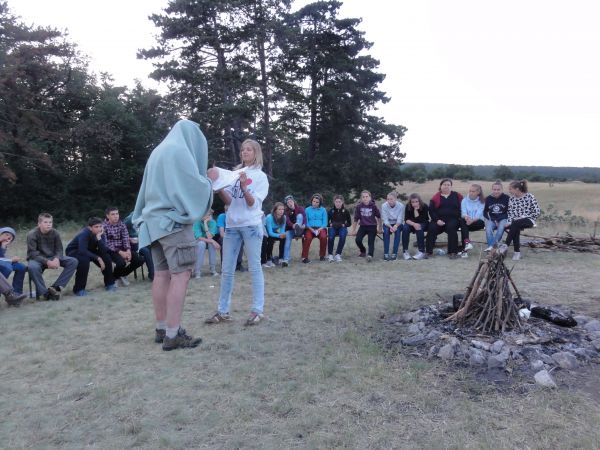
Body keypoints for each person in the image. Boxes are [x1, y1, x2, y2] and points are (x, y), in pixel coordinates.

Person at [133, 119, 212, 351]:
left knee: (161, 275)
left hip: (153, 223)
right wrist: (210, 182)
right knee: (181, 275)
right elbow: (192, 186)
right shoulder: (179, 151)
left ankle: (161, 328)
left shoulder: (158, 151)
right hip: (173, 223)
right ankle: (173, 333)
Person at [205, 139, 269, 326]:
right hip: (232, 225)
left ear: (256, 152)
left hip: (251, 225)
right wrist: (218, 189)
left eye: (249, 149)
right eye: (242, 150)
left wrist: (244, 187)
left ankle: (257, 310)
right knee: (226, 270)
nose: (244, 152)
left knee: (255, 267)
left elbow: (252, 204)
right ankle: (223, 311)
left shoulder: (260, 177)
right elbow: (230, 202)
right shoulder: (234, 174)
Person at [27, 213, 78, 301]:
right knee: (32, 267)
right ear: (39, 224)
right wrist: (47, 262)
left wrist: (57, 258)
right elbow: (33, 253)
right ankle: (45, 294)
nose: (48, 224)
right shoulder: (32, 234)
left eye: (50, 222)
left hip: (52, 257)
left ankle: (55, 287)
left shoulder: (55, 233)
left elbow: (59, 249)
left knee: (73, 261)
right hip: (37, 259)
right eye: (45, 222)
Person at [66, 217, 116, 296]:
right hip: (74, 251)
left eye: (100, 226)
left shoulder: (101, 233)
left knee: (106, 257)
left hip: (88, 250)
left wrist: (99, 239)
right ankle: (79, 289)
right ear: (90, 228)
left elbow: (103, 250)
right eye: (96, 227)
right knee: (84, 260)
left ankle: (110, 284)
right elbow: (82, 250)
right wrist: (98, 258)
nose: (99, 229)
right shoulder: (84, 234)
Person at [103, 207, 145, 286]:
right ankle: (114, 278)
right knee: (121, 263)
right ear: (107, 216)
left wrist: (128, 250)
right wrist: (120, 252)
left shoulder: (121, 224)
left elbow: (125, 238)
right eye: (113, 214)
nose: (116, 216)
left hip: (124, 249)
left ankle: (120, 275)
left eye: (117, 214)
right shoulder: (103, 226)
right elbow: (107, 243)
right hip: (111, 250)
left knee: (140, 260)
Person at [502, 179, 541, 260]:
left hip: (529, 219)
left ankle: (506, 245)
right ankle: (517, 253)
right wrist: (509, 222)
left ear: (517, 189)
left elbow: (537, 212)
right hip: (515, 222)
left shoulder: (529, 196)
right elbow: (510, 213)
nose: (509, 191)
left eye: (510, 189)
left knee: (515, 223)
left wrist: (522, 217)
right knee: (515, 226)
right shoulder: (512, 199)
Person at [425, 179, 463, 259]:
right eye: (444, 184)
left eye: (448, 185)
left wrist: (459, 216)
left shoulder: (457, 196)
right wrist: (437, 220)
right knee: (431, 228)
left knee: (451, 228)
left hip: (453, 219)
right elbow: (431, 211)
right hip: (438, 219)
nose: (446, 186)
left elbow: (463, 207)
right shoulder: (436, 197)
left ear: (451, 186)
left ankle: (452, 252)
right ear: (441, 186)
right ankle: (428, 251)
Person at [350, 190, 381, 262]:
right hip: (363, 226)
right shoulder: (359, 207)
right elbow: (356, 219)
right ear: (361, 198)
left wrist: (380, 228)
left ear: (370, 197)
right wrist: (353, 230)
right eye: (363, 197)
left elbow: (379, 217)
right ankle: (363, 251)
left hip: (372, 226)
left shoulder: (373, 206)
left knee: (371, 242)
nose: (365, 198)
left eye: (367, 196)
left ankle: (370, 255)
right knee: (358, 240)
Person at [124, 212, 154, 280]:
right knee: (145, 251)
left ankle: (161, 273)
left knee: (156, 248)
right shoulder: (129, 220)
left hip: (143, 241)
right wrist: (129, 239)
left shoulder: (149, 217)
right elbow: (121, 232)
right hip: (133, 245)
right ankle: (152, 274)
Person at [217, 206, 246, 272]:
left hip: (233, 236)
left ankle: (238, 264)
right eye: (226, 211)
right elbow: (221, 233)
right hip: (222, 237)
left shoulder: (236, 217)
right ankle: (225, 266)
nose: (228, 213)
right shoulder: (222, 216)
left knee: (240, 240)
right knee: (224, 242)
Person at [0, 227, 27, 296]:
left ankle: (17, 293)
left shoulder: (2, 244)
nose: (7, 238)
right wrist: (11, 260)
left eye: (10, 238)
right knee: (7, 267)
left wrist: (3, 246)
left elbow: (1, 257)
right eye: (6, 235)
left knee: (21, 267)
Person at [483, 181, 510, 251]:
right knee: (488, 230)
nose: (496, 191)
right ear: (492, 190)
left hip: (503, 219)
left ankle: (491, 247)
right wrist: (490, 219)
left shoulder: (507, 198)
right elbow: (485, 211)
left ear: (502, 190)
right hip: (492, 219)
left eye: (498, 190)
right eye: (494, 189)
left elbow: (509, 211)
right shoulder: (488, 198)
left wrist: (499, 220)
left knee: (501, 229)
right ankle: (492, 249)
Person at [193, 210, 220, 278]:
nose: (204, 216)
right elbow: (199, 237)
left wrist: (205, 223)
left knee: (211, 245)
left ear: (209, 215)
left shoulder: (212, 222)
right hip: (196, 241)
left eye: (207, 215)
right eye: (203, 214)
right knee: (202, 244)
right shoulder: (197, 222)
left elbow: (209, 237)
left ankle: (213, 270)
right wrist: (213, 241)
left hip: (207, 240)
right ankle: (197, 272)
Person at [301, 193, 328, 263]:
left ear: (320, 203)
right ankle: (304, 257)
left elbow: (325, 222)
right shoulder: (307, 210)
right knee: (308, 238)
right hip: (309, 228)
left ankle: (322, 255)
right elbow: (305, 222)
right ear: (311, 201)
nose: (315, 203)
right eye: (314, 201)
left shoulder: (323, 210)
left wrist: (320, 229)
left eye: (317, 202)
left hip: (320, 228)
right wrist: (311, 229)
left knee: (323, 237)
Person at [402, 193, 429, 260]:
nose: (415, 203)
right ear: (410, 202)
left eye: (416, 201)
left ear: (419, 201)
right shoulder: (408, 206)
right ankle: (405, 251)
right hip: (411, 223)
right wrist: (413, 224)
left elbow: (421, 220)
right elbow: (406, 219)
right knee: (405, 228)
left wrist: (416, 210)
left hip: (423, 223)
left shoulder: (424, 206)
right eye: (412, 202)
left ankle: (421, 251)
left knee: (419, 227)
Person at [460, 184, 485, 251]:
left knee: (463, 226)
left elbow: (478, 214)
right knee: (462, 221)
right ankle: (467, 244)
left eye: (473, 191)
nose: (471, 193)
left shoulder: (482, 201)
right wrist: (466, 218)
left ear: (478, 192)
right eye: (470, 191)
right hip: (467, 221)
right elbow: (463, 213)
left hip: (478, 222)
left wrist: (472, 220)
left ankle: (465, 247)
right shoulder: (464, 200)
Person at [282, 195, 306, 266]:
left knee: (300, 216)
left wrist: (304, 224)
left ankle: (298, 230)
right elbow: (287, 221)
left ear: (293, 201)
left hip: (301, 228)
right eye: (288, 202)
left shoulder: (300, 208)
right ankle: (286, 260)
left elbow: (304, 218)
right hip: (291, 229)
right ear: (286, 204)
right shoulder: (285, 211)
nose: (290, 203)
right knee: (287, 240)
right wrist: (293, 225)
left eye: (291, 201)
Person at [381, 191, 405, 261]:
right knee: (386, 232)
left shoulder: (401, 206)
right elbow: (385, 219)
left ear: (395, 199)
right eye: (388, 199)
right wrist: (390, 227)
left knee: (397, 233)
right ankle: (386, 254)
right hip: (388, 224)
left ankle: (394, 253)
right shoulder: (384, 205)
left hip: (397, 223)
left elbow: (400, 219)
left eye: (391, 199)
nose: (389, 201)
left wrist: (395, 226)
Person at [327, 195, 352, 262]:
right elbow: (326, 222)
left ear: (342, 202)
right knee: (331, 237)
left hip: (342, 227)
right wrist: (330, 224)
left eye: (339, 202)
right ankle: (330, 255)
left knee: (343, 236)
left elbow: (349, 223)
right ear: (334, 202)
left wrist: (344, 225)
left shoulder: (346, 211)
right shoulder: (331, 211)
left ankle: (338, 254)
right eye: (336, 202)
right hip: (333, 227)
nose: (338, 203)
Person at [263, 202, 286, 267]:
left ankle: (281, 258)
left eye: (283, 209)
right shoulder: (269, 217)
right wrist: (279, 235)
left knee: (284, 238)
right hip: (266, 233)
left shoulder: (284, 217)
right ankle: (269, 260)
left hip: (273, 233)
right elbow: (270, 233)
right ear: (275, 210)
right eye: (279, 209)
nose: (282, 211)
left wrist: (282, 235)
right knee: (271, 239)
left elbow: (282, 231)